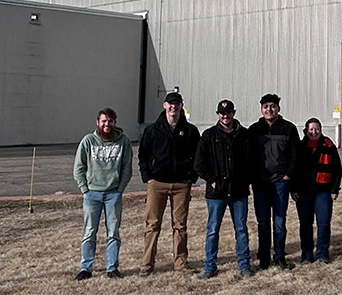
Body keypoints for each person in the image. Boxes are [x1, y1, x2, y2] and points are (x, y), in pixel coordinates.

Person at [138, 91, 201, 275]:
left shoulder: (190, 131)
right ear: (165, 106)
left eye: (177, 104)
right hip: (157, 184)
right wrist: (148, 177)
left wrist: (192, 177)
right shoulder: (152, 130)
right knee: (152, 225)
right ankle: (147, 264)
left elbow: (197, 156)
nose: (173, 107)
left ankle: (181, 263)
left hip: (182, 185)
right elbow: (143, 156)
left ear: (182, 106)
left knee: (180, 226)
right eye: (170, 104)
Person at [194, 99, 255, 279]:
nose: (225, 116)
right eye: (222, 113)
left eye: (228, 112)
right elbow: (199, 163)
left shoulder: (244, 135)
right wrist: (211, 180)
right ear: (217, 114)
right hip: (216, 193)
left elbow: (252, 162)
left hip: (238, 192)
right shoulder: (208, 135)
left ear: (233, 113)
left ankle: (244, 265)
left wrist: (246, 180)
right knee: (213, 229)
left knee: (241, 229)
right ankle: (209, 266)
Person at [72, 108, 133, 280]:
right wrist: (85, 189)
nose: (107, 124)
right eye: (104, 121)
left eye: (111, 121)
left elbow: (127, 168)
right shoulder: (88, 141)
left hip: (113, 194)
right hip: (92, 194)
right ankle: (86, 268)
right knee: (89, 231)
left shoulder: (123, 141)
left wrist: (119, 189)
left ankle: (112, 268)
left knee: (113, 232)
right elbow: (78, 168)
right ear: (97, 122)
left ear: (115, 122)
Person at [248, 93, 300, 270]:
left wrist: (288, 175)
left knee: (279, 222)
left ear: (278, 108)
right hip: (261, 183)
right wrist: (253, 176)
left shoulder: (289, 128)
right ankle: (263, 258)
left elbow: (295, 155)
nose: (269, 109)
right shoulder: (254, 130)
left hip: (281, 182)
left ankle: (279, 257)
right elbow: (248, 156)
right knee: (263, 222)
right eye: (265, 107)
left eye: (272, 106)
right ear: (261, 109)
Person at [291, 118, 342, 264]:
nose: (314, 132)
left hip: (324, 191)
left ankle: (322, 254)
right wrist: (293, 189)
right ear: (306, 131)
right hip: (304, 192)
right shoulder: (300, 146)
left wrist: (334, 189)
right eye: (311, 129)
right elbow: (293, 169)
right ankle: (306, 255)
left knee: (324, 223)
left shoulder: (329, 145)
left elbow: (337, 169)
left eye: (317, 129)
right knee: (306, 224)